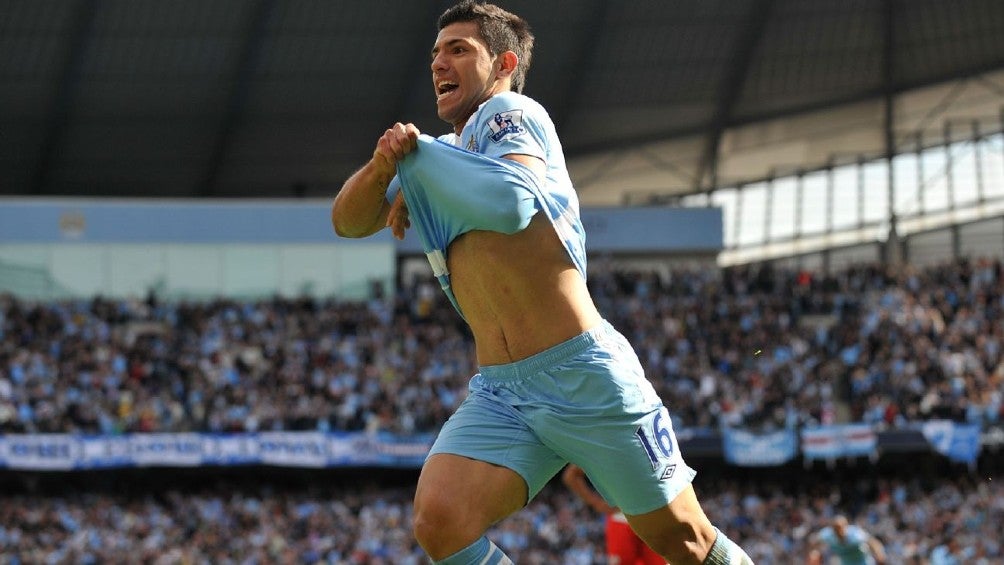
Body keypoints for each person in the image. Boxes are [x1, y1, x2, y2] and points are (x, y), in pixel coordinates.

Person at [331, 2, 753, 564]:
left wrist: (425, 162)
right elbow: (348, 221)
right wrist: (388, 166)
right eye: (436, 52)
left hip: (584, 376)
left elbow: (509, 203)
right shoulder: (443, 157)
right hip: (502, 389)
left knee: (686, 540)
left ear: (504, 62)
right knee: (441, 521)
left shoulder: (511, 111)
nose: (439, 62)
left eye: (459, 49)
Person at [562, 463, 666, 565]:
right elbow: (571, 475)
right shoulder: (603, 447)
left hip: (654, 516)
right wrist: (596, 502)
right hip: (622, 518)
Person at [807, 515, 886, 565]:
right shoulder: (828, 535)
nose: (840, 532)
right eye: (837, 530)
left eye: (841, 528)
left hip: (862, 562)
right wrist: (814, 553)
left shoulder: (855, 534)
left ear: (846, 526)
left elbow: (872, 542)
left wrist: (879, 554)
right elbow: (814, 543)